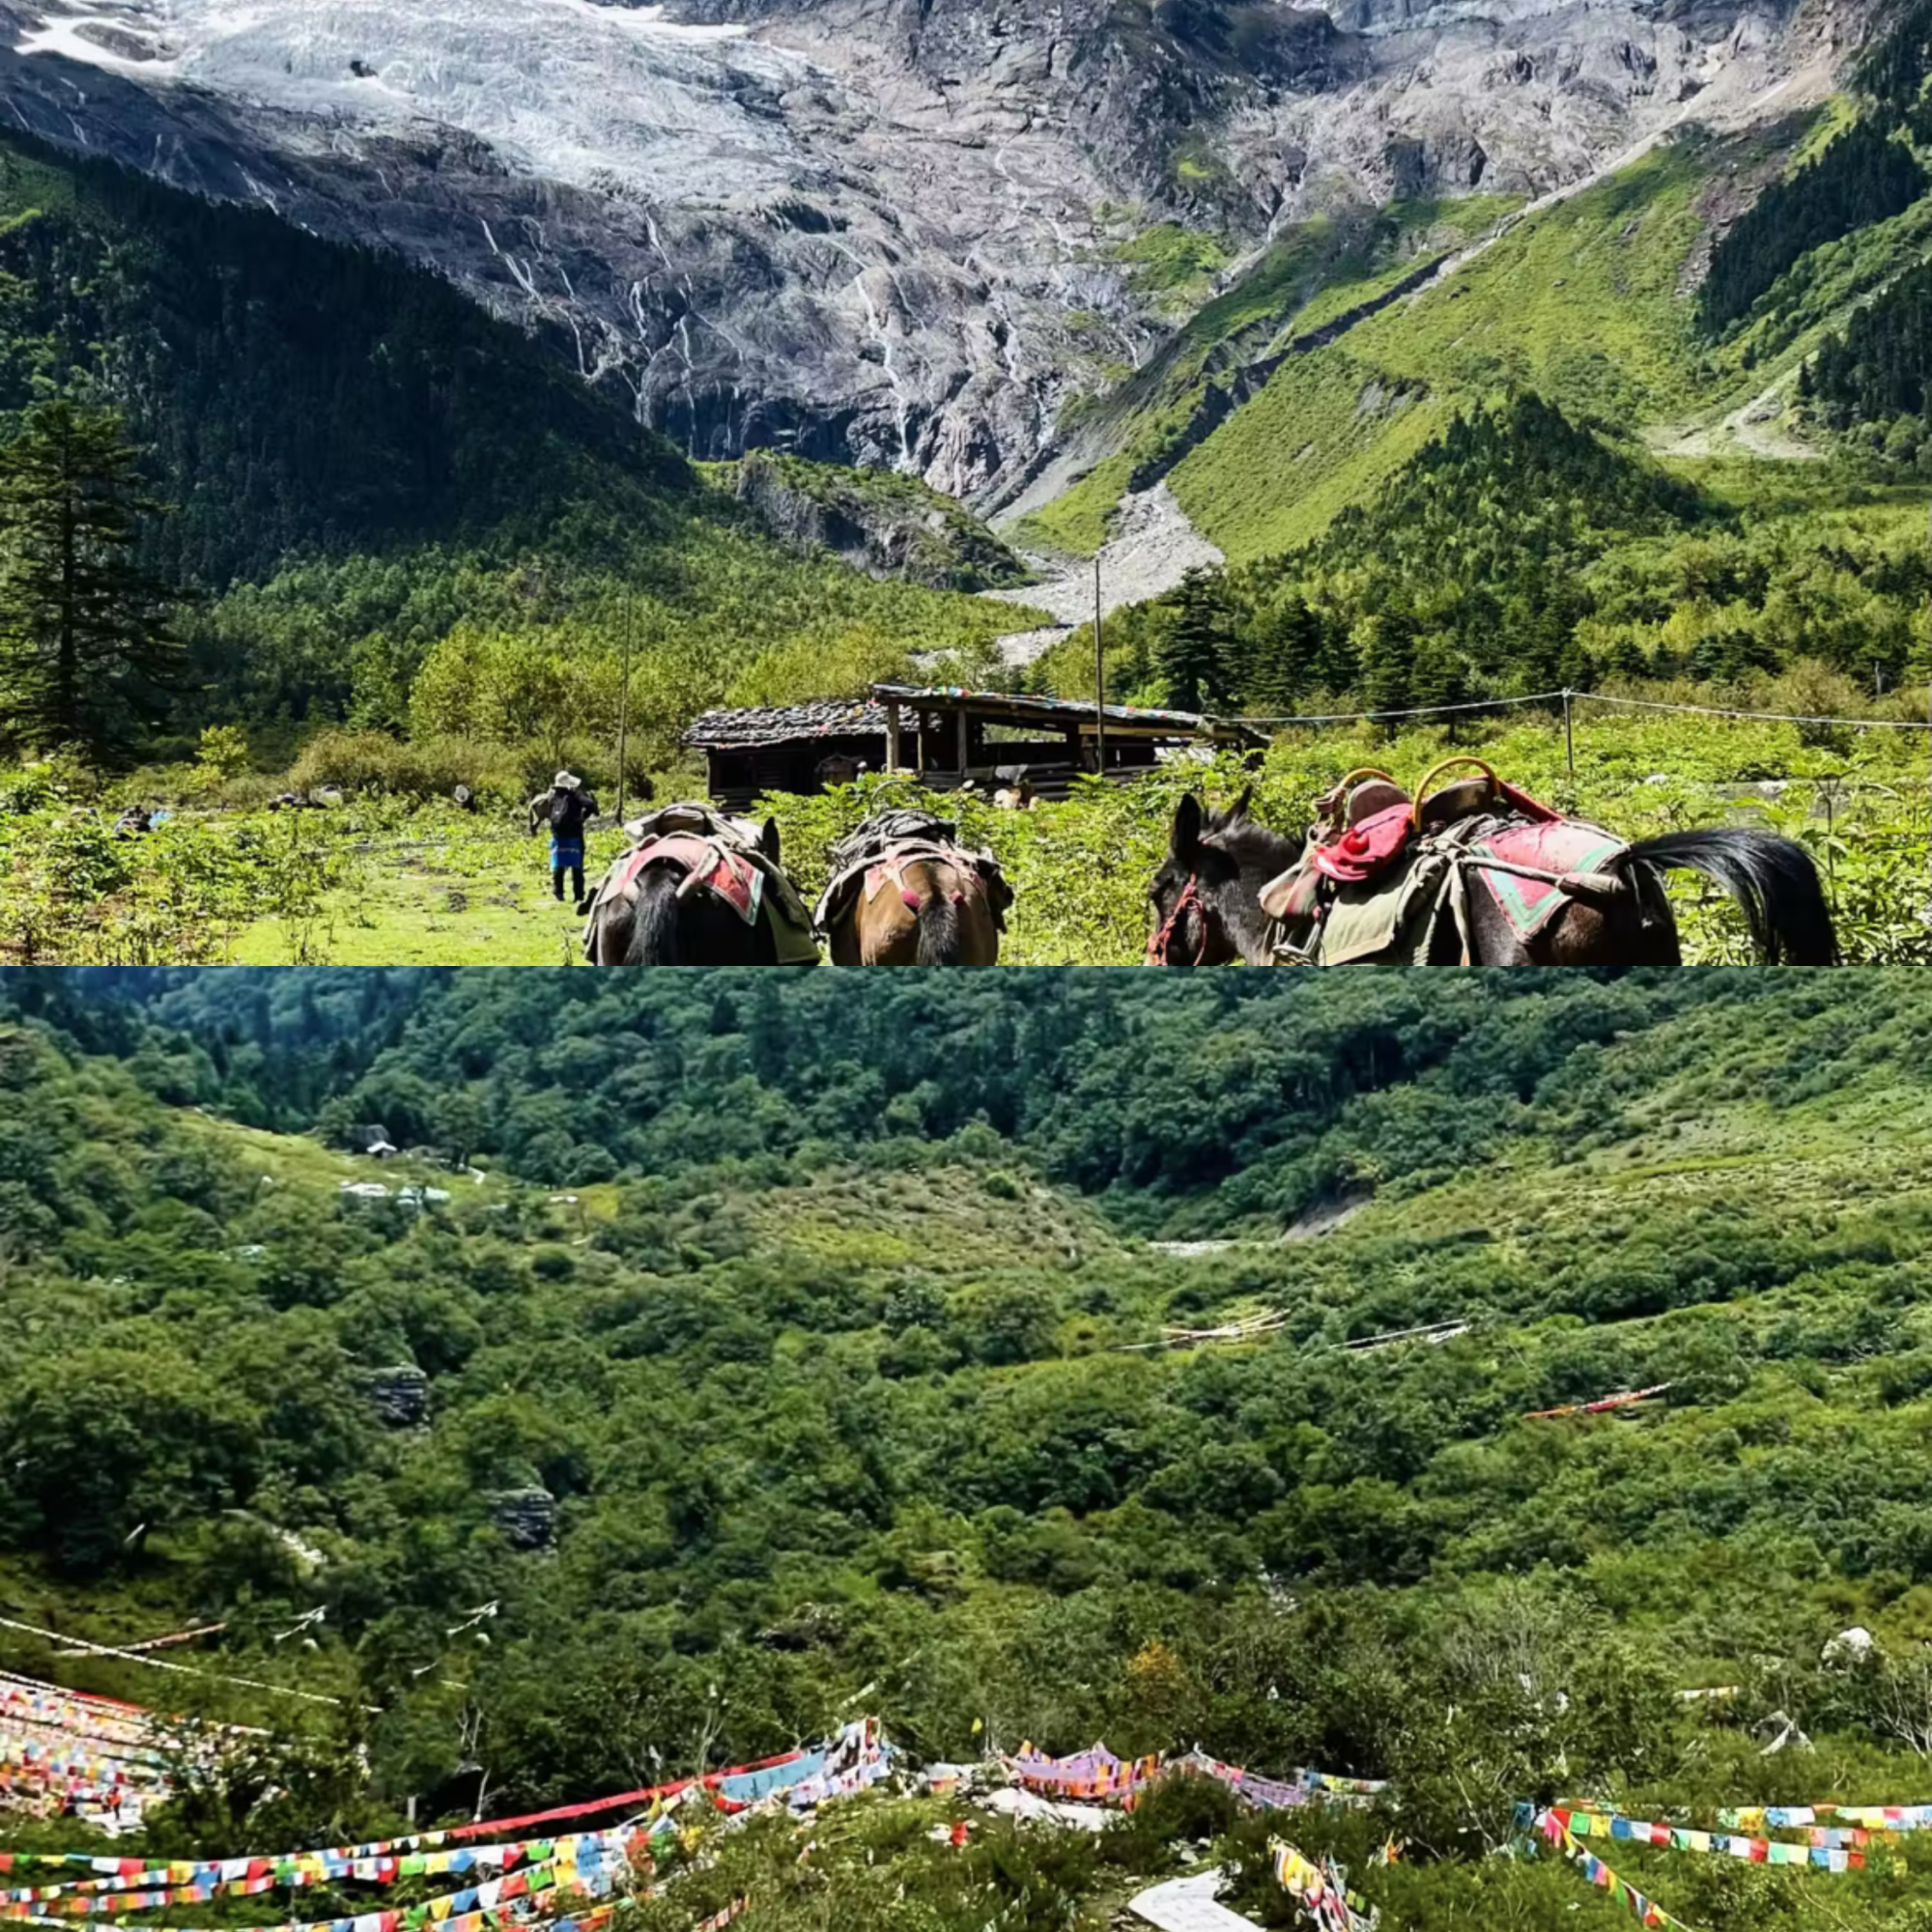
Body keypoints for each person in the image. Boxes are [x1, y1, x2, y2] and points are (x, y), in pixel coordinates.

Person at [528, 771, 599, 904]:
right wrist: (582, 818)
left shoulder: (552, 795)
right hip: (574, 833)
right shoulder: (575, 795)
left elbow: (548, 813)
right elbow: (590, 804)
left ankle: (558, 892)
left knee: (558, 864)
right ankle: (578, 895)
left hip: (558, 834)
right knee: (577, 866)